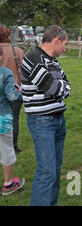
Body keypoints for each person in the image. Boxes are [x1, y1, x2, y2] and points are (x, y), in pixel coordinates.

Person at [21, 25, 71, 205]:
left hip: (58, 119)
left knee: (55, 170)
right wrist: (59, 87)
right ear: (56, 40)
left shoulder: (53, 61)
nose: (65, 48)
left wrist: (59, 87)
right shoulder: (32, 58)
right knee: (47, 172)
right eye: (64, 44)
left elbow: (67, 87)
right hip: (42, 121)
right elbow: (51, 87)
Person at [0, 65, 25, 196]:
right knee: (6, 151)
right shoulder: (5, 73)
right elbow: (12, 96)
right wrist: (20, 92)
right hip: (2, 117)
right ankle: (8, 184)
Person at [0, 27, 25, 154]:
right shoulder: (17, 51)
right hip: (14, 90)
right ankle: (13, 146)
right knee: (14, 118)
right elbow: (26, 71)